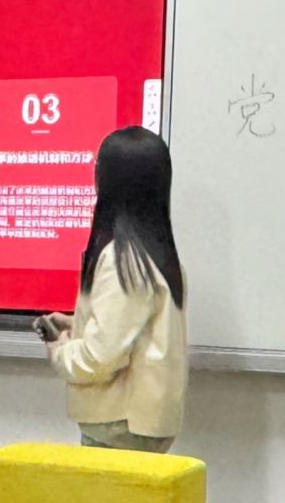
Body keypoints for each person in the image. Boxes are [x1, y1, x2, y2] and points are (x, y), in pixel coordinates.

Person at [41, 126, 188, 452]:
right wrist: (78, 324)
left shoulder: (124, 261)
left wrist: (60, 350)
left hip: (118, 424)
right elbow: (132, 330)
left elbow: (100, 358)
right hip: (143, 421)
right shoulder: (155, 254)